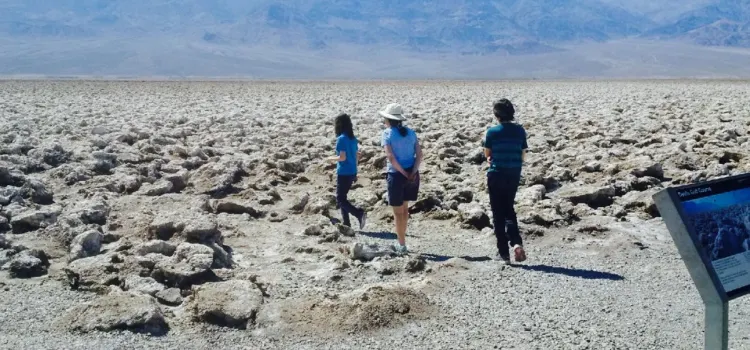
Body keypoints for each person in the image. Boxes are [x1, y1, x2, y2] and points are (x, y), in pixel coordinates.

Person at [483, 98, 528, 264]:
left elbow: (487, 154)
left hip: (496, 174)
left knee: (498, 213)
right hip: (513, 174)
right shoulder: (520, 131)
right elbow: (523, 153)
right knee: (509, 208)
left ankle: (504, 253)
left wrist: (490, 160)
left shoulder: (492, 132)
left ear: (497, 115)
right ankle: (516, 242)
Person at [379, 103, 422, 255]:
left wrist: (403, 173)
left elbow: (390, 157)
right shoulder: (411, 133)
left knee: (398, 212)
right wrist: (412, 172)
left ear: (389, 119)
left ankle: (402, 245)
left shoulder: (387, 134)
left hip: (397, 176)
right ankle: (402, 240)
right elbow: (419, 155)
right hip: (412, 174)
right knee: (405, 209)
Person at [327, 113, 367, 229]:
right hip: (352, 171)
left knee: (340, 199)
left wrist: (331, 158)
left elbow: (342, 157)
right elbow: (356, 156)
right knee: (343, 197)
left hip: (344, 172)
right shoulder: (352, 139)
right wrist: (355, 173)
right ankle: (346, 223)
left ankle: (359, 213)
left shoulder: (341, 139)